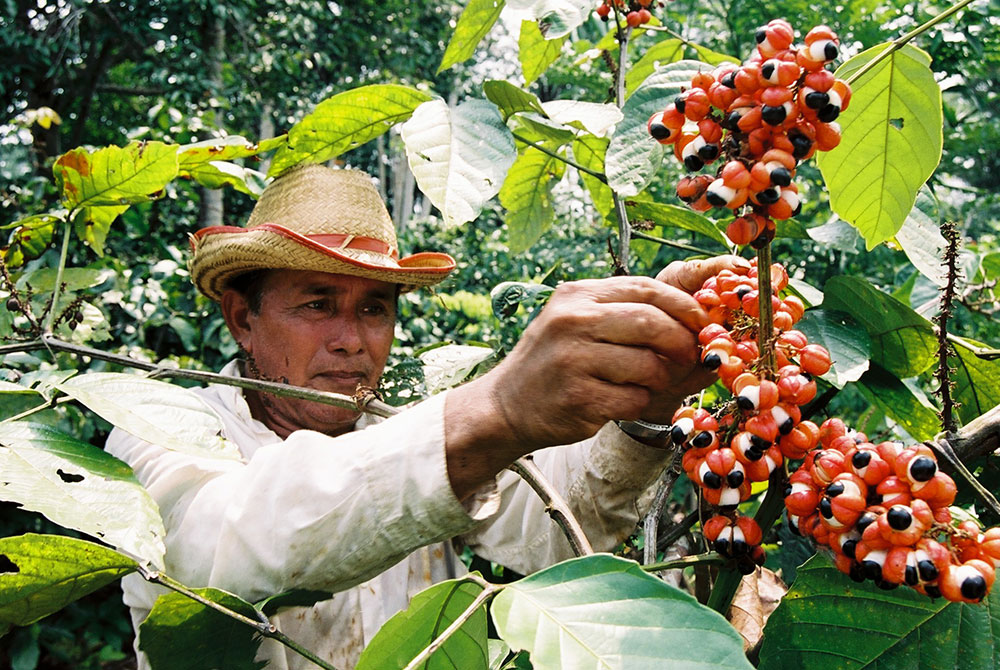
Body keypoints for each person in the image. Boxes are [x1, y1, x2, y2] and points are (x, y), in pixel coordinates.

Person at [106, 164, 747, 669]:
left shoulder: (395, 423)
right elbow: (228, 547)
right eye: (316, 304)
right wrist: (494, 409)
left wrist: (646, 403)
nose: (351, 340)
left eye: (373, 309)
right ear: (242, 319)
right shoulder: (156, 425)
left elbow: (549, 530)